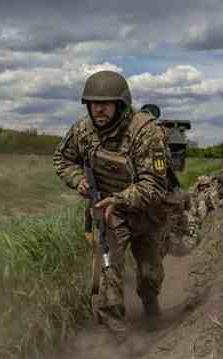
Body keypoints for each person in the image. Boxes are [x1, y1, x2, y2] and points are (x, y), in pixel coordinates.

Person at [53, 70, 173, 334]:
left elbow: (155, 185)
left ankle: (151, 307)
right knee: (110, 270)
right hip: (110, 214)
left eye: (105, 104)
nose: (99, 110)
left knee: (150, 275)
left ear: (121, 104)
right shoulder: (82, 130)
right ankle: (115, 336)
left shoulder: (147, 132)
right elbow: (62, 160)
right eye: (94, 104)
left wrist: (119, 199)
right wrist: (78, 180)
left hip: (147, 212)